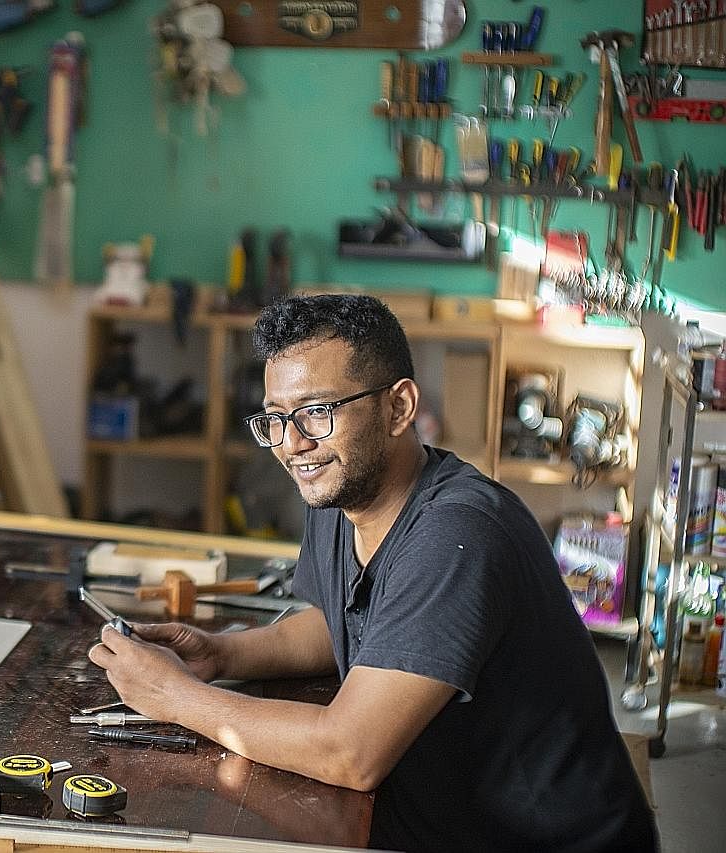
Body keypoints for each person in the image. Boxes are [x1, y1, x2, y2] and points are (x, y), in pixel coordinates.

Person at [89, 294, 658, 852]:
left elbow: (351, 754)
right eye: (276, 418)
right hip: (435, 820)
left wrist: (178, 697)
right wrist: (221, 654)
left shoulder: (457, 536)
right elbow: (343, 621)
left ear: (399, 407)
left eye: (317, 411)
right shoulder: (343, 496)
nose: (293, 445)